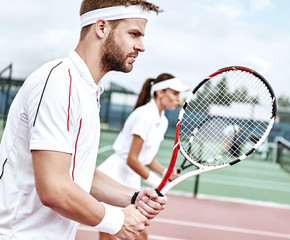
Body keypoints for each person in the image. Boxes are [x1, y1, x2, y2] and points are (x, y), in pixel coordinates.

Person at [0, 1, 168, 239]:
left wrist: (133, 196)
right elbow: (55, 188)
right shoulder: (60, 83)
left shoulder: (87, 91)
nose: (141, 46)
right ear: (101, 27)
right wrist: (117, 220)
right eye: (134, 34)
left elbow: (80, 173)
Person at [98, 73, 189, 240]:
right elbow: (132, 159)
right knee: (118, 232)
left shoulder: (161, 120)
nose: (179, 99)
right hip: (114, 175)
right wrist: (155, 181)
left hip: (129, 176)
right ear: (160, 92)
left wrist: (165, 173)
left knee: (124, 232)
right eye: (175, 93)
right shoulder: (144, 115)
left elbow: (146, 158)